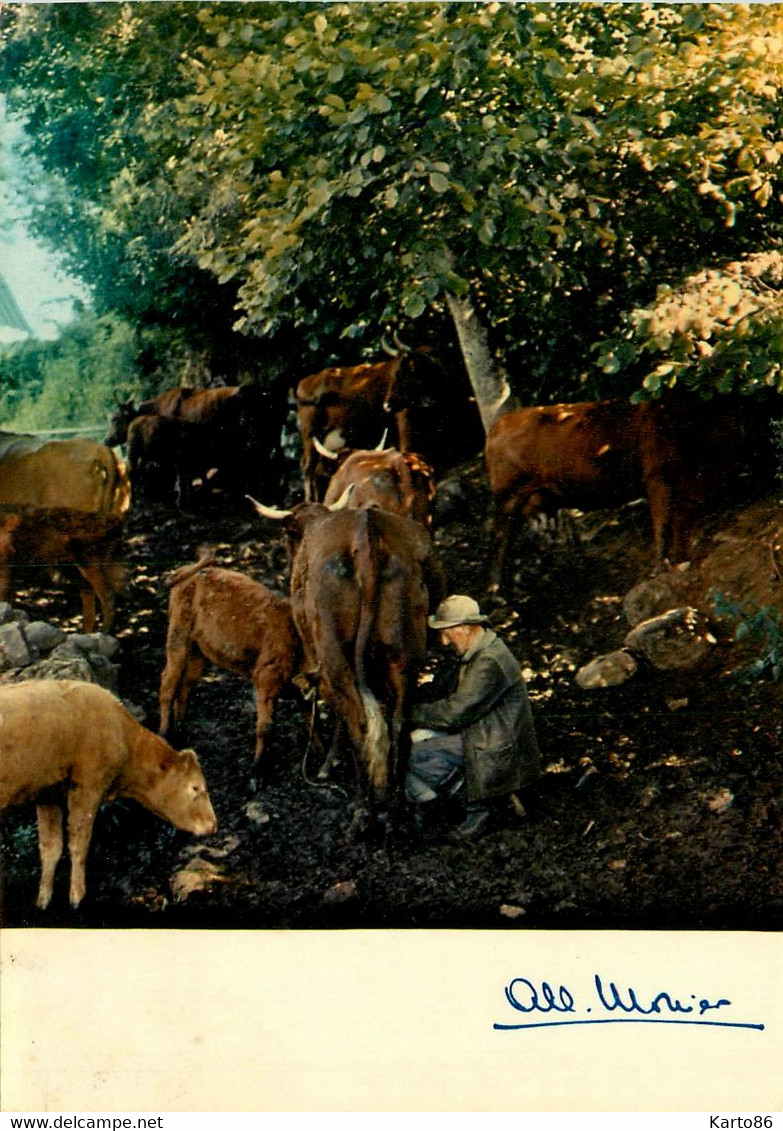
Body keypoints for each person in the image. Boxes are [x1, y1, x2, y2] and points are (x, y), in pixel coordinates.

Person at [406, 594, 541, 841]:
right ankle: (450, 802)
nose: (444, 642)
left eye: (447, 633)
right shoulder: (477, 652)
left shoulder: (489, 660)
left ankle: (484, 807)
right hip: (485, 730)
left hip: (497, 743)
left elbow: (456, 712)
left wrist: (408, 714)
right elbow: (444, 693)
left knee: (413, 756)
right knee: (414, 741)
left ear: (466, 629)